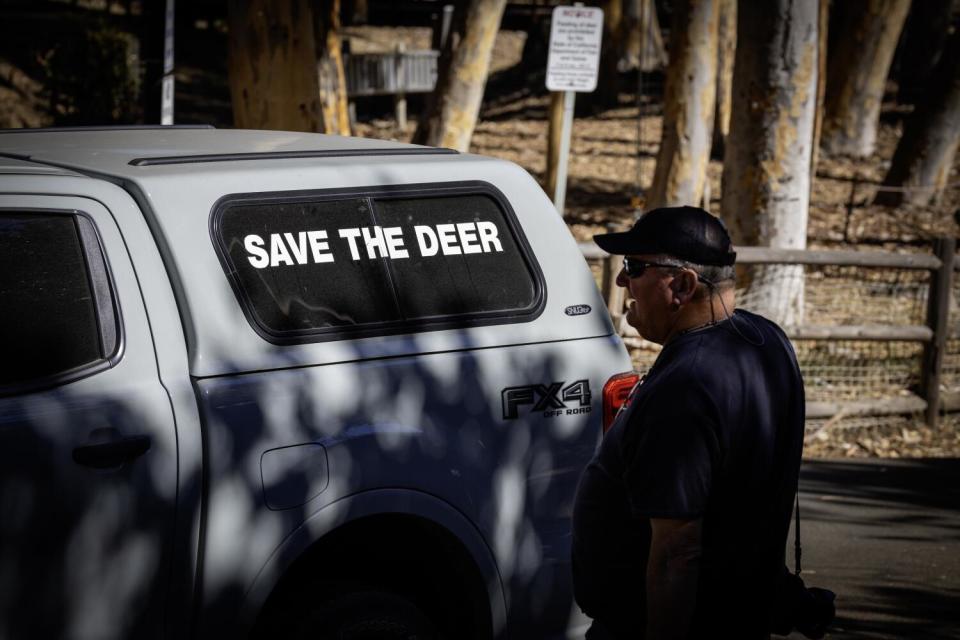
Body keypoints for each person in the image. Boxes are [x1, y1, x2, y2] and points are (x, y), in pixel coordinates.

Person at [572, 205, 806, 640]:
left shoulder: (687, 387)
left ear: (682, 284)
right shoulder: (768, 341)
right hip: (737, 615)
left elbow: (676, 552)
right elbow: (748, 495)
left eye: (634, 267)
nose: (622, 280)